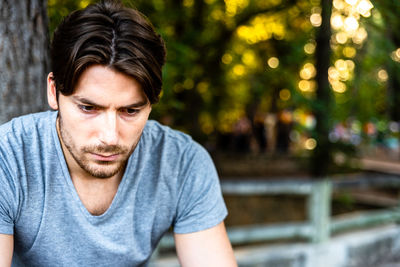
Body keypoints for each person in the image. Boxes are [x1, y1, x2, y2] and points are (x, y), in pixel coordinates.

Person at [0, 1, 237, 266]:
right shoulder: (7, 158)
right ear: (53, 92)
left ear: (151, 104)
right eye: (88, 107)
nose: (110, 137)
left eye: (130, 110)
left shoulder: (182, 163)